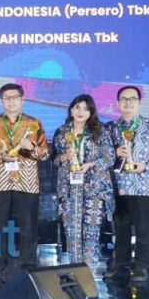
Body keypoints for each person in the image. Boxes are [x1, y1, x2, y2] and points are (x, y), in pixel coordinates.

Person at [0, 83, 49, 283]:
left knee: (28, 225)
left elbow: (44, 154)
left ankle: (28, 265)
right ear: (0, 101)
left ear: (23, 100)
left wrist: (32, 147)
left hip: (26, 180)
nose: (11, 101)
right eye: (7, 97)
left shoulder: (33, 123)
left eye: (15, 97)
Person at [106, 85, 149, 283]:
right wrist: (114, 153)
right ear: (118, 103)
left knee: (142, 230)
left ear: (140, 103)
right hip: (117, 186)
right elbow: (101, 156)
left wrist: (145, 166)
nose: (128, 103)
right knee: (121, 230)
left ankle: (142, 268)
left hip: (142, 186)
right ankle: (121, 265)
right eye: (124, 99)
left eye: (132, 99)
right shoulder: (110, 128)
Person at [51, 94, 114, 269]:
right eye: (77, 107)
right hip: (69, 189)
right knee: (72, 233)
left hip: (94, 188)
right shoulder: (61, 132)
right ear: (71, 109)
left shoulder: (100, 131)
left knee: (91, 233)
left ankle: (89, 271)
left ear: (91, 112)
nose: (81, 112)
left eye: (86, 109)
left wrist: (91, 164)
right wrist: (64, 156)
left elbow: (110, 157)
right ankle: (76, 271)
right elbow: (54, 159)